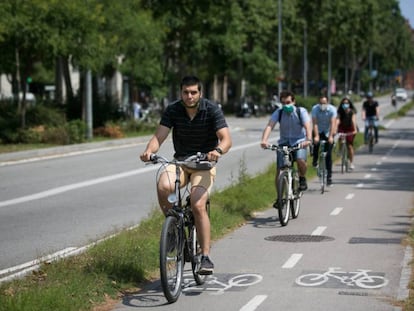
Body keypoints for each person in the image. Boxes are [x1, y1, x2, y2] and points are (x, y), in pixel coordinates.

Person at [140, 76, 232, 275]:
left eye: (193, 92)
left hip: (203, 165)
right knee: (163, 184)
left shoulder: (211, 110)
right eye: (185, 92)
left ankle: (205, 256)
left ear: (200, 93)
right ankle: (174, 229)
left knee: (197, 205)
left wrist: (217, 150)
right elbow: (159, 136)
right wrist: (149, 151)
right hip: (181, 162)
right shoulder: (173, 110)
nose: (189, 96)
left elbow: (226, 139)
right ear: (180, 93)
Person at [260, 90, 312, 206]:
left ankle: (302, 178)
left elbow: (308, 126)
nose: (286, 105)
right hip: (284, 143)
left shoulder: (300, 111)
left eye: (288, 102)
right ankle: (279, 198)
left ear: (294, 101)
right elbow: (270, 126)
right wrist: (264, 140)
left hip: (299, 142)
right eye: (283, 103)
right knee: (279, 171)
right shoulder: (279, 112)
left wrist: (308, 139)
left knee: (300, 160)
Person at [311, 95, 337, 185]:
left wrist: (331, 137)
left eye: (324, 103)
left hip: (328, 131)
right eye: (321, 103)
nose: (323, 105)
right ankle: (315, 159)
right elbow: (314, 123)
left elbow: (333, 123)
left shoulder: (332, 110)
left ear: (328, 102)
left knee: (328, 155)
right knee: (316, 144)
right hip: (318, 130)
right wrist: (316, 136)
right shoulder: (315, 109)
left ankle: (329, 177)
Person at [336, 97, 357, 170]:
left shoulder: (352, 112)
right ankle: (340, 149)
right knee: (341, 138)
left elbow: (353, 121)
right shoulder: (340, 111)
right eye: (344, 103)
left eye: (347, 103)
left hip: (350, 128)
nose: (345, 104)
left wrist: (355, 130)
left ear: (349, 104)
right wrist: (335, 128)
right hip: (342, 128)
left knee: (350, 146)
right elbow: (338, 120)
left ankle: (351, 163)